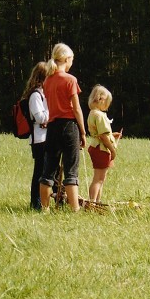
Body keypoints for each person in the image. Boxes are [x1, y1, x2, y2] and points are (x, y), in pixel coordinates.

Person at [39, 43, 87, 212]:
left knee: (48, 170)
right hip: (68, 126)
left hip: (52, 127)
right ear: (67, 59)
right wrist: (82, 131)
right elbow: (76, 108)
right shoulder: (70, 80)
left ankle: (44, 209)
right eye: (72, 60)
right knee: (71, 170)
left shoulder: (47, 80)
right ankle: (74, 209)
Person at [87, 84, 122, 203]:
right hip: (101, 149)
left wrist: (112, 135)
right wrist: (112, 149)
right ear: (101, 99)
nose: (108, 105)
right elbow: (102, 136)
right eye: (107, 101)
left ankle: (96, 201)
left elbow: (100, 133)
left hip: (95, 146)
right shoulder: (100, 115)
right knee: (99, 179)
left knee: (99, 178)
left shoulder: (92, 113)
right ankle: (93, 202)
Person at [22, 61, 49, 210]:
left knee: (47, 170)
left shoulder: (43, 94)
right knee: (39, 171)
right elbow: (39, 117)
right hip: (39, 139)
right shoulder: (35, 95)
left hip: (45, 137)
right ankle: (36, 202)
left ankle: (47, 200)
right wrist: (51, 117)